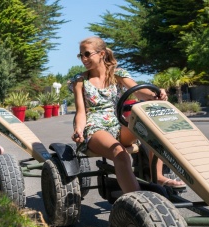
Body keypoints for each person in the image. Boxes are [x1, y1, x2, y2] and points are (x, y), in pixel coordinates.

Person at [70, 36, 185, 193]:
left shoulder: (118, 74)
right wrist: (78, 129)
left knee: (149, 126)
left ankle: (157, 175)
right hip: (94, 128)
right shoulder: (80, 80)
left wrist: (156, 94)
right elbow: (81, 112)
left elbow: (139, 91)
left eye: (87, 54)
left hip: (118, 124)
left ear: (102, 53)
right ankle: (137, 200)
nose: (83, 59)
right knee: (121, 155)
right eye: (81, 55)